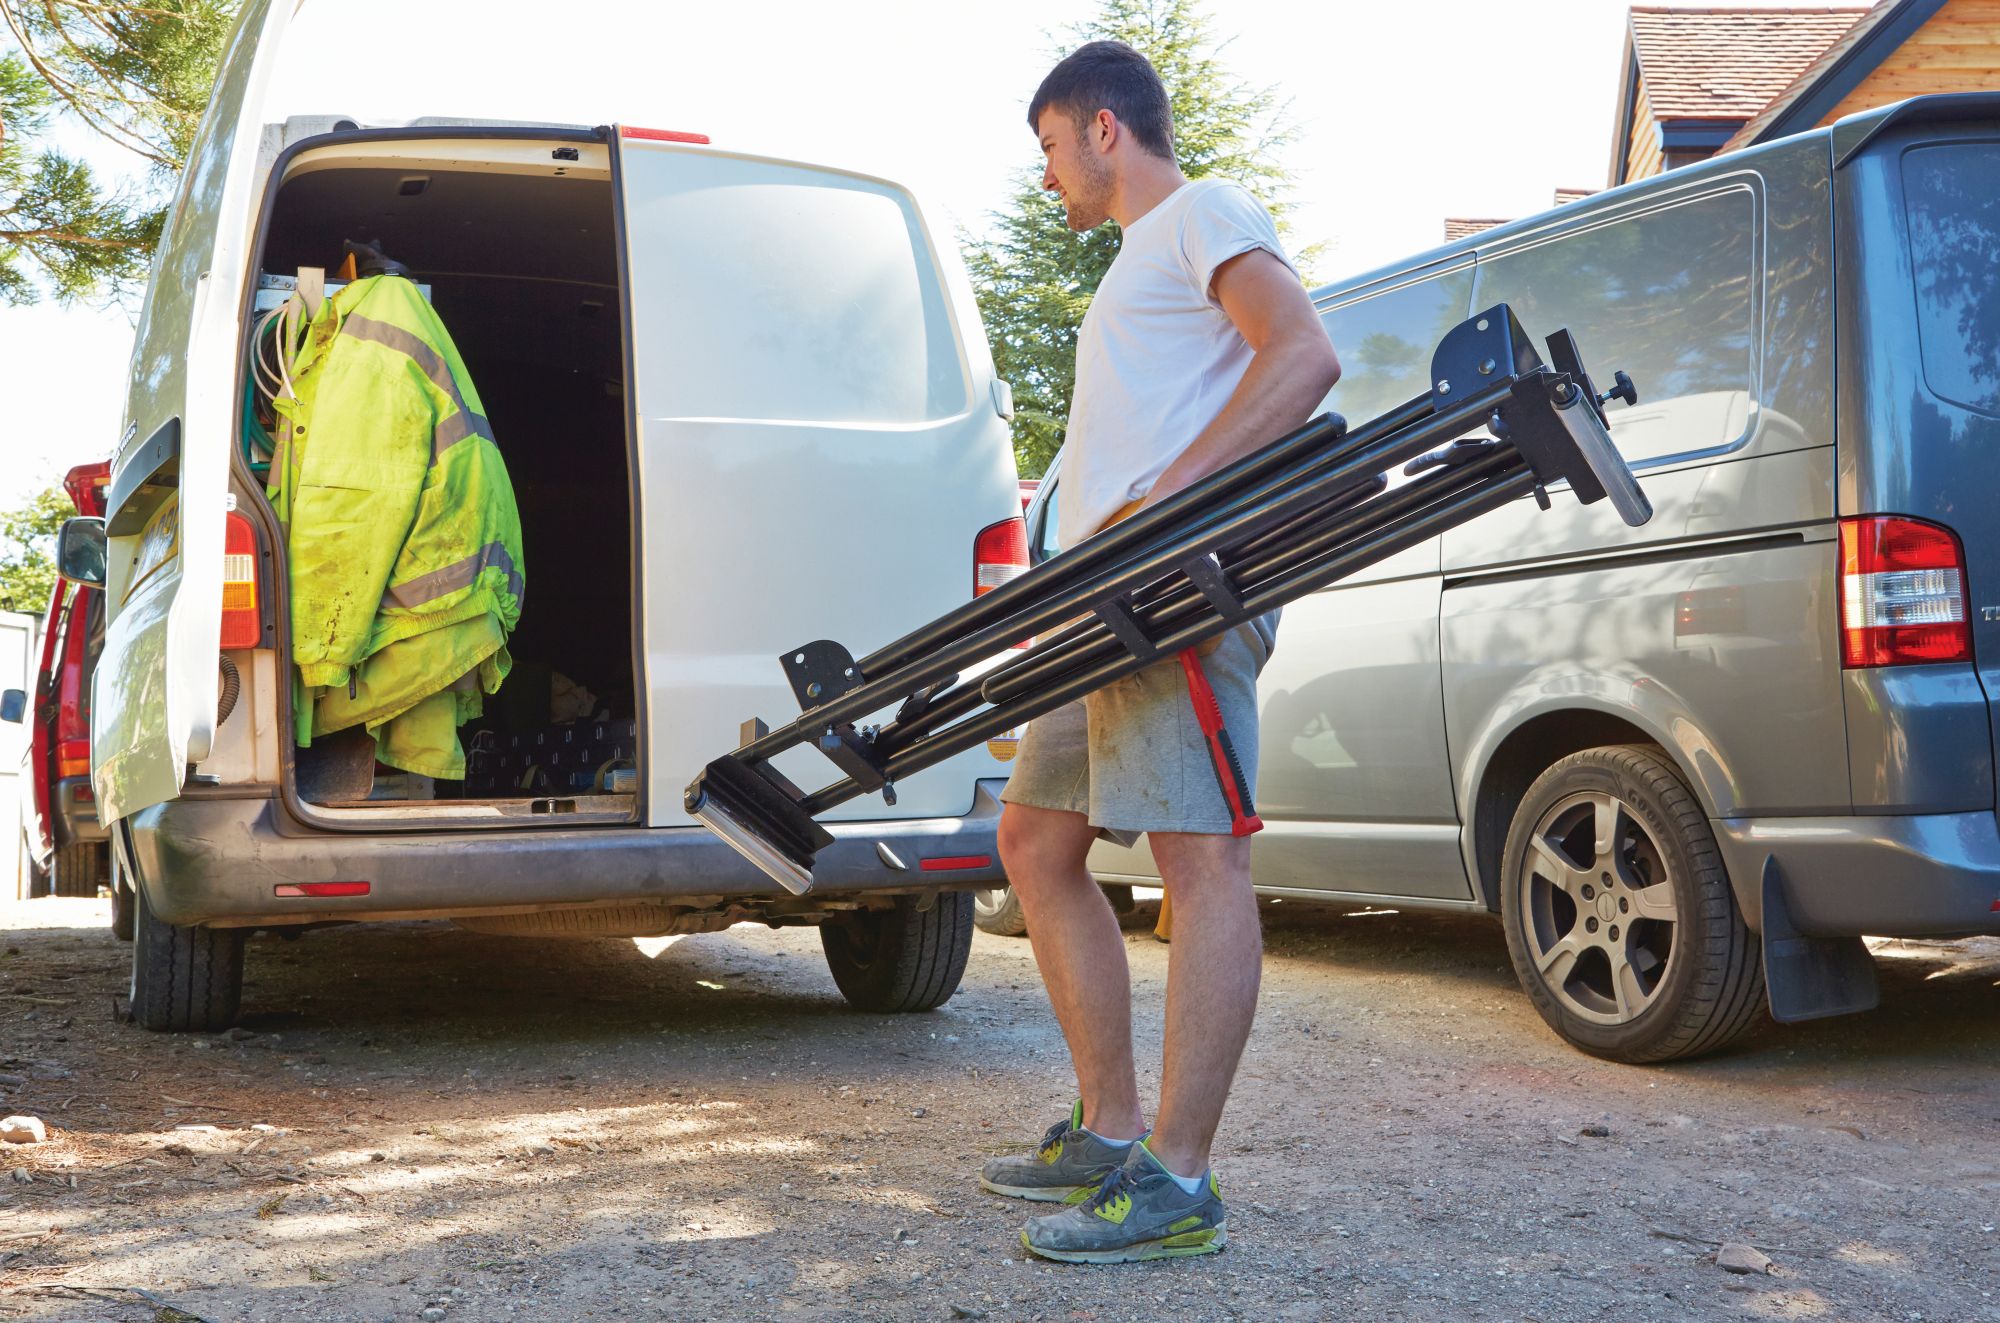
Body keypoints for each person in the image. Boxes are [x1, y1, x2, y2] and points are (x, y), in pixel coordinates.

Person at [982, 40, 1341, 1265]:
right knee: (1033, 841)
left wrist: (1166, 504)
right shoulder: (1138, 260)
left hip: (1175, 593)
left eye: (1046, 149)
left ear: (1099, 129)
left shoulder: (1204, 212)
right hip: (1100, 604)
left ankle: (1180, 1180)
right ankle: (1110, 1131)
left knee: (1199, 864)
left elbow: (1301, 354)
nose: (1044, 181)